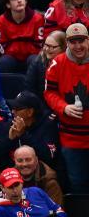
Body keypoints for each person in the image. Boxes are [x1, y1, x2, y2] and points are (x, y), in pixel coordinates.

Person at [44, 23, 89, 194]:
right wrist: (63, 107)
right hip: (71, 137)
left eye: (81, 41)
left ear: (88, 40)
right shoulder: (57, 64)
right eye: (73, 42)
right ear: (67, 44)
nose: (78, 46)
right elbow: (49, 93)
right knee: (77, 183)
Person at [0, 0, 44, 73]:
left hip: (31, 56)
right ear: (8, 5)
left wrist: (17, 45)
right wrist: (23, 46)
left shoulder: (38, 18)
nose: (19, 0)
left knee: (36, 60)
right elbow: (2, 47)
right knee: (4, 61)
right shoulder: (0, 21)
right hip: (11, 58)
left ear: (26, 0)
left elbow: (39, 45)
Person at [6, 91, 59, 169]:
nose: (13, 112)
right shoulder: (14, 123)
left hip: (44, 174)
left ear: (30, 112)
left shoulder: (48, 125)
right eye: (12, 108)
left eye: (17, 109)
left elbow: (48, 156)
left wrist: (23, 135)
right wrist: (10, 139)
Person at [25, 30, 66, 98]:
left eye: (52, 47)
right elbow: (30, 89)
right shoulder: (37, 62)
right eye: (46, 45)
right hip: (41, 103)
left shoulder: (71, 63)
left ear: (63, 48)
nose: (47, 49)